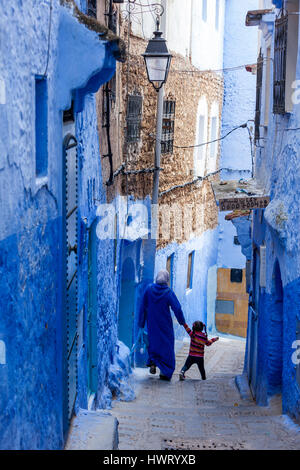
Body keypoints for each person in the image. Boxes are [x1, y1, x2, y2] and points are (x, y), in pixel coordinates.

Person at [138, 270, 186, 381]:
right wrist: (181, 321)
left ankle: (153, 363)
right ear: (167, 279)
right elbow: (177, 308)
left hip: (152, 323)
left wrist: (141, 322)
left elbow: (143, 307)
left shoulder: (149, 289)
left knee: (153, 343)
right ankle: (165, 372)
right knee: (167, 346)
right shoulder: (168, 292)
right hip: (165, 325)